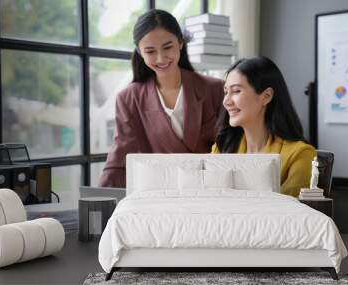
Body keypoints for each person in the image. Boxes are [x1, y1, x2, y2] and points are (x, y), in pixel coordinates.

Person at [99, 9, 224, 188]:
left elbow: (230, 148)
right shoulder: (129, 98)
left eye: (167, 47)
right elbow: (120, 157)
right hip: (158, 193)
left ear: (180, 43)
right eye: (150, 51)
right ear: (140, 52)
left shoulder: (215, 89)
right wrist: (97, 203)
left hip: (209, 190)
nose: (161, 58)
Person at [212, 56, 316, 197]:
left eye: (236, 91)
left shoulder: (299, 155)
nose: (226, 101)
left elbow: (288, 214)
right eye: (226, 92)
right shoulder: (222, 147)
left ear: (266, 96)